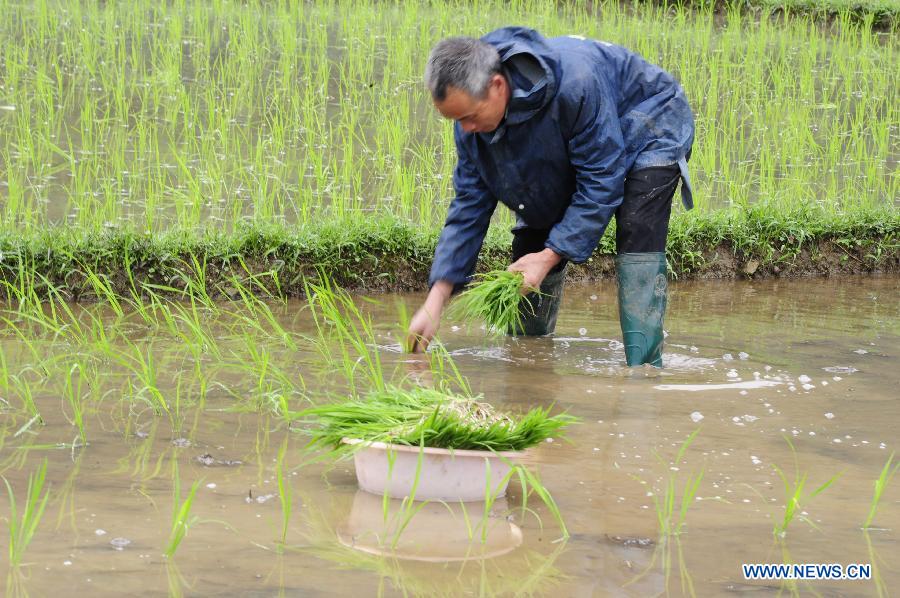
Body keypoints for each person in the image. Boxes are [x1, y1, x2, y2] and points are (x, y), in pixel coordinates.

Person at [406, 27, 694, 367]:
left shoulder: (574, 86)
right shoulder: (472, 124)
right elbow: (469, 205)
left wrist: (549, 257)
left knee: (637, 227)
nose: (464, 128)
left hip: (651, 120)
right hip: (583, 133)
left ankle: (644, 368)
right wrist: (435, 301)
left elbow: (601, 178)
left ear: (497, 86)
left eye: (469, 116)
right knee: (536, 222)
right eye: (456, 120)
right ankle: (529, 360)